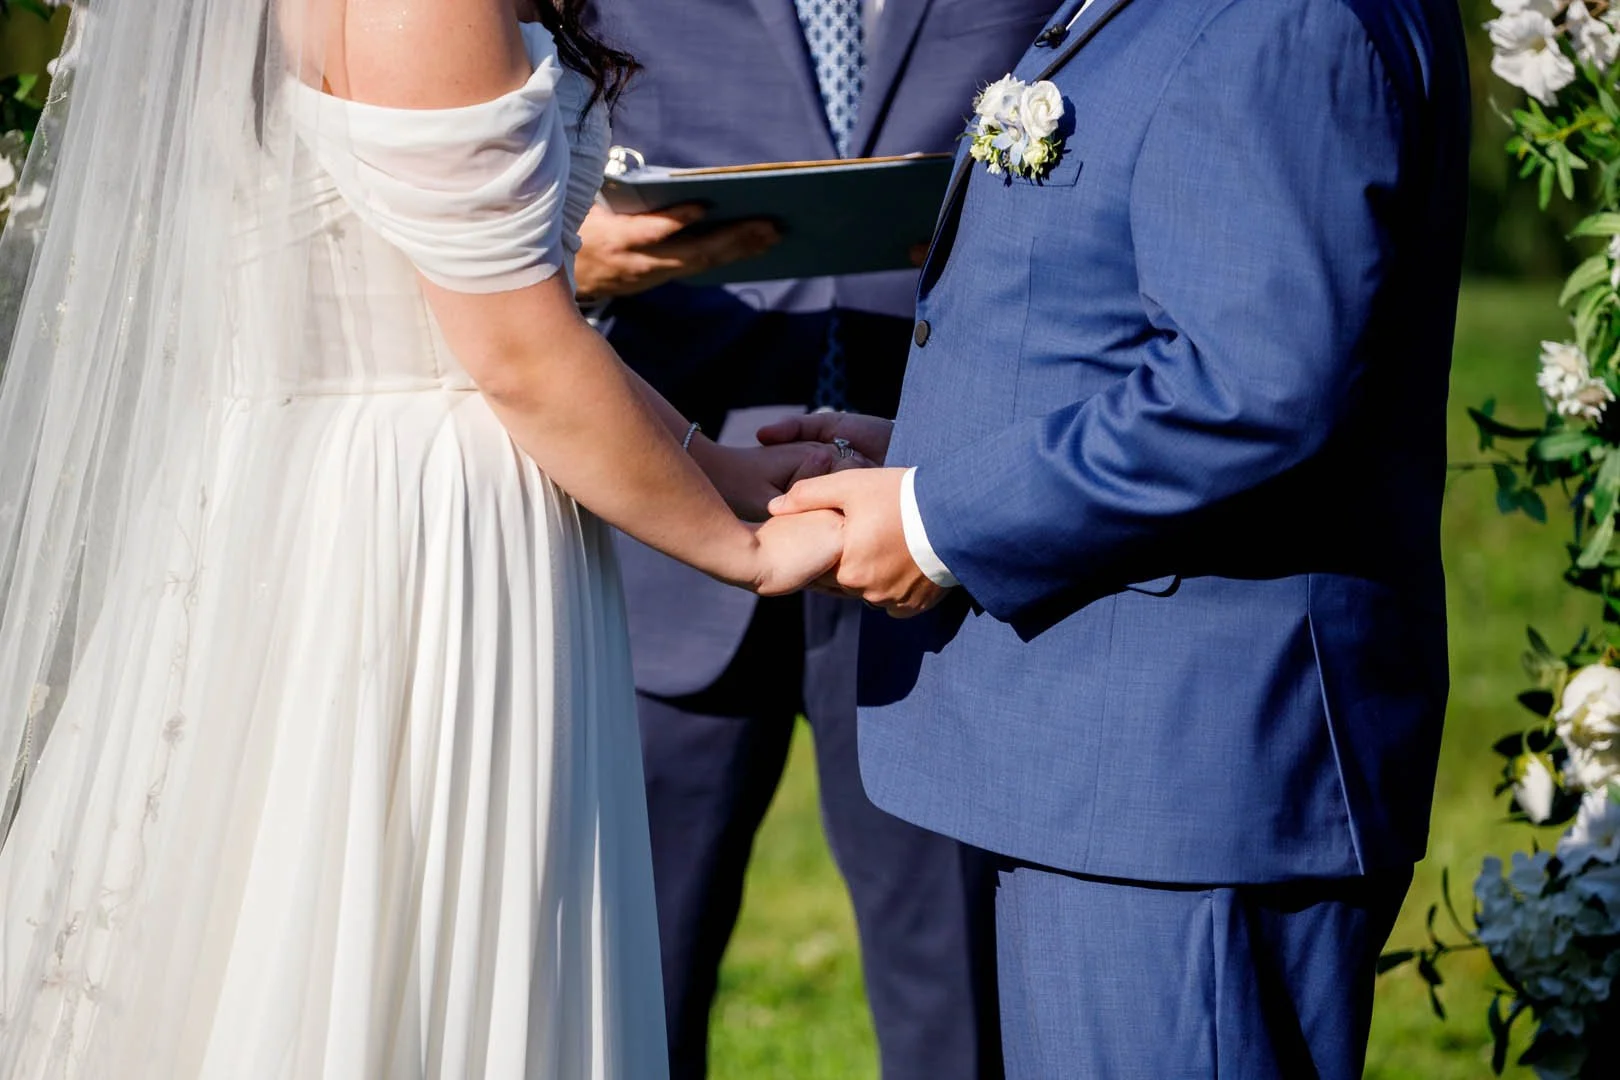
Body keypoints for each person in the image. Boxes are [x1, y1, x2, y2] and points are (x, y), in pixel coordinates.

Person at [0, 1, 843, 1075]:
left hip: (310, 487)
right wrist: (747, 553)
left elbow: (490, 302)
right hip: (418, 537)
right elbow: (516, 351)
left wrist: (709, 464)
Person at [766, 0, 1471, 1076]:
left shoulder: (1279, 19)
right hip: (1120, 772)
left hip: (1188, 780)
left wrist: (937, 521)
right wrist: (932, 456)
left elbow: (1250, 392)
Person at [572, 4, 1061, 1076]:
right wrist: (574, 261)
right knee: (625, 998)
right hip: (674, 526)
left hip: (940, 524)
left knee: (956, 1003)